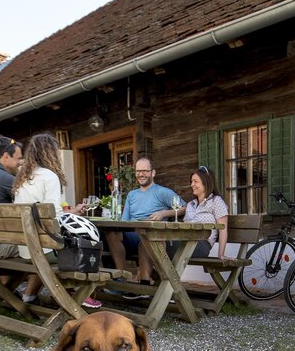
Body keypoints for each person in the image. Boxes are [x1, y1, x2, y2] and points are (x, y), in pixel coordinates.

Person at [13, 132, 99, 308]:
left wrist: (70, 213)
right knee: (91, 246)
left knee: (67, 244)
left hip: (25, 248)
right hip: (43, 249)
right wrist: (72, 216)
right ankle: (79, 293)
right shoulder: (50, 176)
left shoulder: (22, 177)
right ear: (51, 153)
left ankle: (47, 296)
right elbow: (54, 217)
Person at [105, 157, 180, 286]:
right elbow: (124, 221)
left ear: (153, 173)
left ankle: (144, 282)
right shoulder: (132, 195)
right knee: (111, 233)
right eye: (138, 171)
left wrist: (163, 213)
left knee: (146, 238)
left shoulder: (163, 192)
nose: (141, 174)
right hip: (133, 236)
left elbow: (183, 207)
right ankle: (123, 278)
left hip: (152, 237)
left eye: (145, 170)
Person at [165, 165, 229, 260]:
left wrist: (221, 254)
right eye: (191, 181)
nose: (192, 185)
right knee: (149, 244)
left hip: (201, 245)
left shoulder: (216, 201)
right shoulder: (191, 204)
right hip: (185, 240)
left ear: (206, 182)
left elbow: (223, 229)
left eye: (195, 181)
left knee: (157, 244)